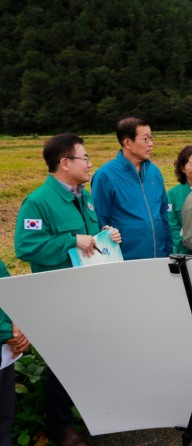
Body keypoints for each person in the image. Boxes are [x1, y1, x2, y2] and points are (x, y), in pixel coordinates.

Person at [15, 133, 122, 446]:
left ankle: (94, 415)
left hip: (90, 292)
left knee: (92, 355)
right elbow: (26, 246)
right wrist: (70, 240)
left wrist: (104, 235)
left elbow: (88, 239)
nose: (90, 164)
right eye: (84, 158)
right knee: (63, 362)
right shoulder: (38, 202)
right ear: (65, 163)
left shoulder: (83, 196)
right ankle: (61, 426)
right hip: (59, 296)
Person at [92, 117, 172, 260]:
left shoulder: (154, 172)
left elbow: (163, 215)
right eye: (145, 139)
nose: (151, 144)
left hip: (159, 256)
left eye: (151, 138)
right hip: (125, 259)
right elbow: (99, 220)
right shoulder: (105, 176)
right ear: (128, 143)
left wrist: (168, 252)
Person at [1, 260, 31, 446]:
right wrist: (10, 333)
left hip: (6, 351)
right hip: (7, 338)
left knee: (4, 416)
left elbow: (5, 286)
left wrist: (18, 321)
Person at [167, 145, 192, 254]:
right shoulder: (173, 194)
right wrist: (183, 244)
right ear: (183, 168)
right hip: (184, 251)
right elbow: (172, 225)